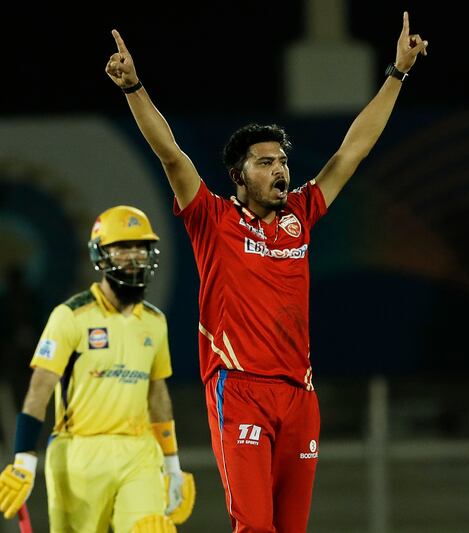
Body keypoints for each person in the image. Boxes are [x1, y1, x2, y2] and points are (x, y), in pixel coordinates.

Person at [105, 12, 427, 533]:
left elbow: (353, 149)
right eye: (264, 162)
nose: (280, 170)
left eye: (282, 160)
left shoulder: (301, 216)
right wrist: (134, 87)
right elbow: (170, 154)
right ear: (238, 175)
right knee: (255, 527)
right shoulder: (211, 219)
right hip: (240, 389)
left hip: (300, 396)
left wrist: (397, 72)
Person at [0, 206, 195, 533]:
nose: (133, 257)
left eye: (140, 248)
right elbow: (39, 389)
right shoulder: (70, 316)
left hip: (139, 451)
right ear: (101, 255)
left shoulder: (155, 321)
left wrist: (172, 466)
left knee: (152, 528)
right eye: (123, 248)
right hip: (78, 454)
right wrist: (24, 462)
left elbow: (157, 394)